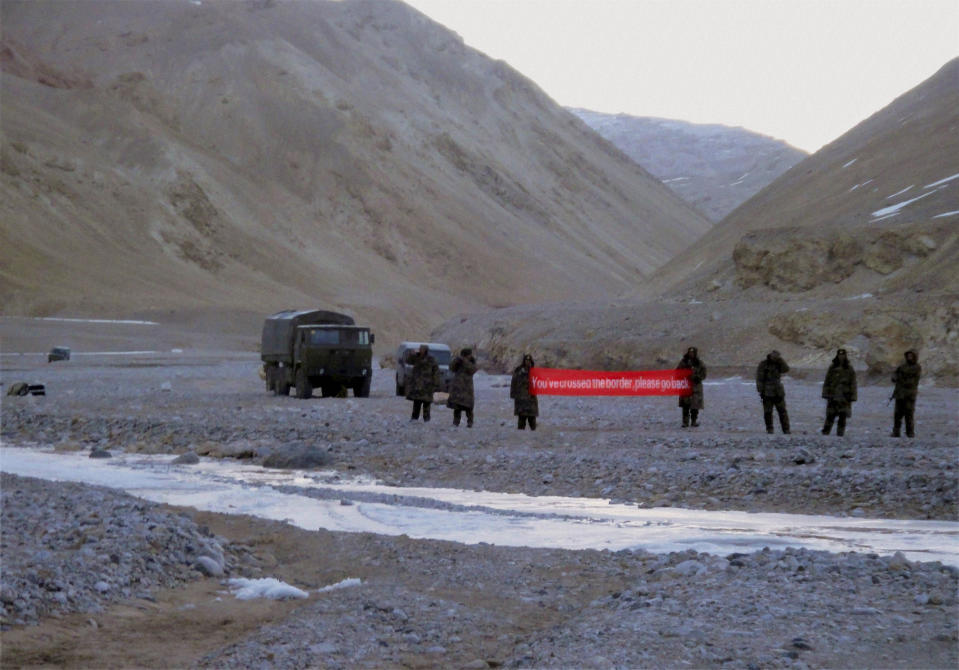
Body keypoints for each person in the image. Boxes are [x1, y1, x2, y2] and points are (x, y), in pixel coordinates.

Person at [821, 348, 857, 436]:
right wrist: (825, 393)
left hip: (844, 396)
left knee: (842, 416)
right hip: (832, 395)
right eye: (840, 355)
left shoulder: (849, 368)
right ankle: (826, 432)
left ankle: (840, 434)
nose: (841, 357)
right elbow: (827, 381)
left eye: (843, 355)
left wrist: (853, 396)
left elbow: (853, 383)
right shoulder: (832, 367)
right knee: (830, 415)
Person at [756, 350, 791, 434]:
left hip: (778, 392)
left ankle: (786, 429)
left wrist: (781, 360)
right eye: (774, 357)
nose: (775, 358)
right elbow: (759, 378)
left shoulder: (779, 364)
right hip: (767, 392)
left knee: (782, 411)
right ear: (771, 356)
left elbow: (786, 369)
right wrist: (760, 391)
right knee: (768, 412)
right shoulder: (763, 364)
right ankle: (769, 429)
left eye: (777, 357)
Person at [405, 344, 439, 422]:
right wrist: (411, 354)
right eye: (420, 349)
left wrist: (436, 383)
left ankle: (426, 419)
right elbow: (408, 361)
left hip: (427, 385)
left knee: (426, 403)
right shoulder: (416, 357)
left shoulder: (431, 359)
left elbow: (436, 371)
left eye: (422, 349)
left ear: (426, 350)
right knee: (417, 402)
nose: (420, 350)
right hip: (417, 384)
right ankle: (414, 418)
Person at [891, 349, 921, 438]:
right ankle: (896, 432)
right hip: (900, 394)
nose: (909, 357)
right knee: (897, 414)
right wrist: (895, 378)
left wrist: (901, 379)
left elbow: (911, 381)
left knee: (909, 414)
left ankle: (910, 432)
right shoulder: (902, 367)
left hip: (909, 394)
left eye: (911, 356)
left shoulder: (916, 367)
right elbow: (895, 375)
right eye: (908, 356)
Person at [447, 347, 477, 427]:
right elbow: (451, 368)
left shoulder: (472, 362)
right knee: (457, 406)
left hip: (467, 387)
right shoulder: (458, 361)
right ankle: (456, 422)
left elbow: (473, 370)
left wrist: (464, 361)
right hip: (458, 387)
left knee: (469, 407)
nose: (470, 356)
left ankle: (470, 423)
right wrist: (457, 360)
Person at [677, 347, 706, 427]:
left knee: (695, 405)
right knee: (685, 405)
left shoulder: (699, 363)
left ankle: (694, 421)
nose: (691, 354)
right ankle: (685, 422)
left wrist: (697, 378)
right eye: (690, 352)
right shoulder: (684, 362)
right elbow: (677, 372)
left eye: (693, 352)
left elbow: (703, 373)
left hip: (696, 387)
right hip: (686, 386)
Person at [510, 353, 538, 430]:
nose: (528, 362)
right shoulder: (518, 371)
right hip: (521, 400)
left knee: (532, 422)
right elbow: (513, 383)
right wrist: (513, 394)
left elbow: (540, 384)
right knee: (521, 421)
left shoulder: (534, 372)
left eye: (529, 360)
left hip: (531, 401)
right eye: (526, 360)